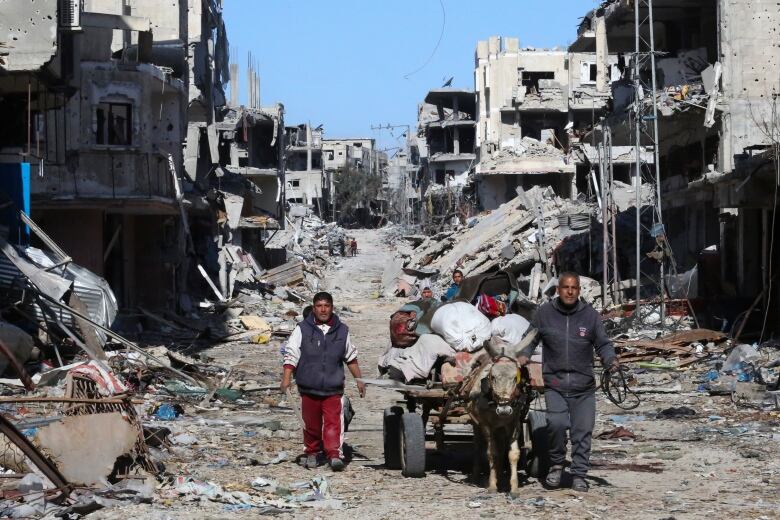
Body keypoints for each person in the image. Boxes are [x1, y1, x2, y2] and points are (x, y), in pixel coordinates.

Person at [517, 272, 619, 493]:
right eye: (566, 287)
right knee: (556, 424)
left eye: (574, 288)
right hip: (555, 383)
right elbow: (530, 338)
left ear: (579, 291)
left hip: (584, 386)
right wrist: (523, 354)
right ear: (558, 289)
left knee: (582, 431)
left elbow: (603, 343)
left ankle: (579, 474)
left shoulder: (590, 316)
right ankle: (556, 465)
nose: (570, 291)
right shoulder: (544, 314)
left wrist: (610, 359)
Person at [280, 292, 366, 472]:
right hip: (308, 386)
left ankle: (334, 454)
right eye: (319, 306)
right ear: (313, 308)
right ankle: (312, 453)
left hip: (333, 387)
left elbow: (350, 357)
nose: (323, 309)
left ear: (332, 308)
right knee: (311, 424)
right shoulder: (302, 329)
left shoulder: (342, 330)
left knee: (333, 422)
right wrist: (286, 379)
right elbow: (291, 355)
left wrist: (359, 380)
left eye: (326, 305)